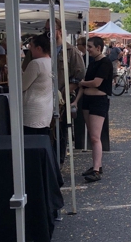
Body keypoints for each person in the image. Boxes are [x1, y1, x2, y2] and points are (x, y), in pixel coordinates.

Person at [23, 18, 85, 165]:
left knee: (59, 132)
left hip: (62, 98)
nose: (48, 32)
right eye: (46, 29)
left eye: (51, 29)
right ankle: (46, 162)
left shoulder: (71, 51)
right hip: (41, 98)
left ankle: (58, 163)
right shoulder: (39, 49)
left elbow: (79, 76)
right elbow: (26, 69)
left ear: (60, 31)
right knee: (43, 131)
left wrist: (65, 92)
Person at [72, 37, 113, 182]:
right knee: (92, 136)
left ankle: (96, 170)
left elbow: (96, 83)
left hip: (98, 101)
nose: (87, 49)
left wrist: (81, 82)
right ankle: (97, 165)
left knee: (95, 136)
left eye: (89, 46)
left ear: (98, 48)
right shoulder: (92, 62)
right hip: (87, 101)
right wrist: (76, 101)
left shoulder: (105, 62)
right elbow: (84, 86)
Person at [22, 33, 53, 136]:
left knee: (31, 141)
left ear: (39, 48)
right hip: (46, 108)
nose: (30, 49)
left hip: (33, 110)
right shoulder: (51, 62)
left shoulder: (36, 63)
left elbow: (22, 85)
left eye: (31, 46)